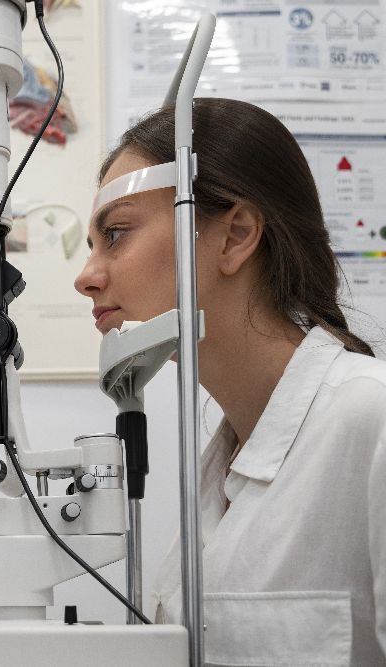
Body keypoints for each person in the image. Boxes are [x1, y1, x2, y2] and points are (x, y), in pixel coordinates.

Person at [74, 97, 386, 665]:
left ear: (235, 234)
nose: (87, 277)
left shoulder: (373, 419)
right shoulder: (218, 461)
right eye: (91, 247)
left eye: (115, 234)